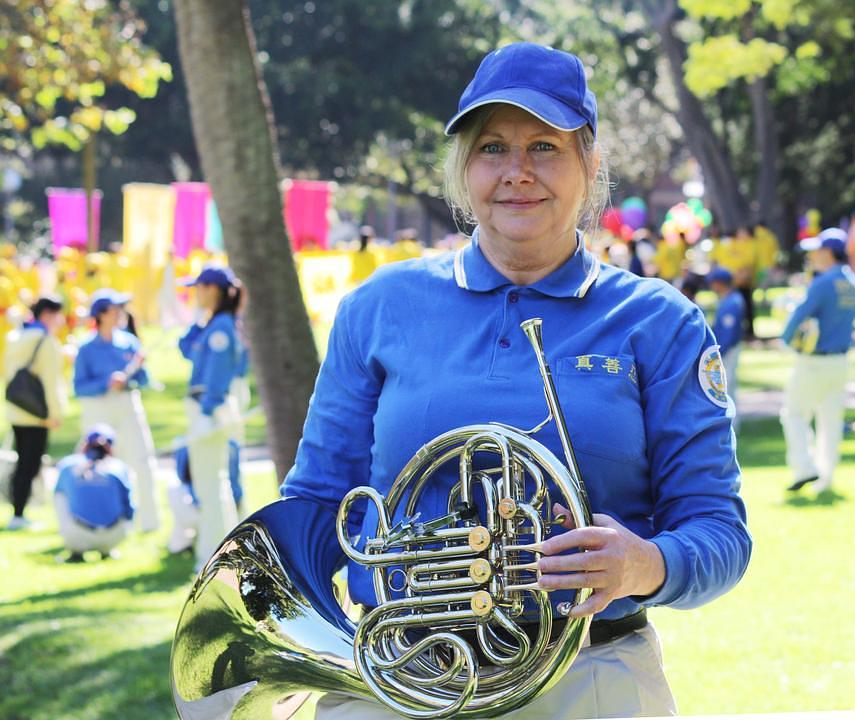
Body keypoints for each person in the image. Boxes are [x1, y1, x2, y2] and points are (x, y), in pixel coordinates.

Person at [282, 42, 751, 719]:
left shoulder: (659, 322)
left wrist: (641, 564)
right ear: (464, 169)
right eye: (493, 148)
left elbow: (718, 530)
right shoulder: (379, 306)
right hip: (398, 676)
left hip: (590, 672)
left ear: (589, 166)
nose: (517, 173)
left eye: (545, 147)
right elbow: (320, 498)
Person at [780, 228, 855, 494]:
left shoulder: (823, 283)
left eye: (817, 250)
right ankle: (826, 477)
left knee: (793, 413)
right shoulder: (854, 283)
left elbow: (798, 317)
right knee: (831, 420)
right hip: (841, 360)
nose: (814, 256)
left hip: (814, 360)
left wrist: (787, 339)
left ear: (828, 252)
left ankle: (804, 467)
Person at [73, 288, 160, 532]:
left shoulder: (130, 342)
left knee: (142, 460)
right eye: (115, 308)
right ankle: (101, 522)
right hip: (99, 409)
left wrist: (134, 376)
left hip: (128, 406)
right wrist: (106, 382)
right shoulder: (87, 348)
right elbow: (79, 387)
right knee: (99, 465)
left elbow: (144, 380)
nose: (121, 312)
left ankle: (148, 522)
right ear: (101, 314)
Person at [177, 265, 244, 570]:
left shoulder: (221, 328)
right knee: (213, 483)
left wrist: (206, 412)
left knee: (210, 485)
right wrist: (196, 319)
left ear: (213, 289)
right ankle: (219, 549)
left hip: (210, 409)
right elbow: (186, 349)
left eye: (199, 288)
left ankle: (211, 553)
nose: (195, 293)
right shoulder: (214, 324)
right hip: (207, 409)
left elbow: (217, 376)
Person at [3, 295, 66, 530]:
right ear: (48, 314)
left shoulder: (15, 336)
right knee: (29, 465)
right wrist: (54, 413)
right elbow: (50, 381)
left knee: (23, 463)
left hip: (18, 409)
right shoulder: (44, 340)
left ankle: (17, 511)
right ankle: (18, 514)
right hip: (38, 413)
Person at [53, 424, 134, 562]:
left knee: (60, 494)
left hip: (77, 535)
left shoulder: (68, 464)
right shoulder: (119, 467)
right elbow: (130, 508)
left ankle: (76, 551)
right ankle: (106, 549)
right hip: (115, 535)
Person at [707, 267, 744, 430]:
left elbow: (728, 333)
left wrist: (718, 353)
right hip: (726, 349)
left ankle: (732, 424)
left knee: (727, 385)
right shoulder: (729, 299)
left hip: (728, 350)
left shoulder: (732, 303)